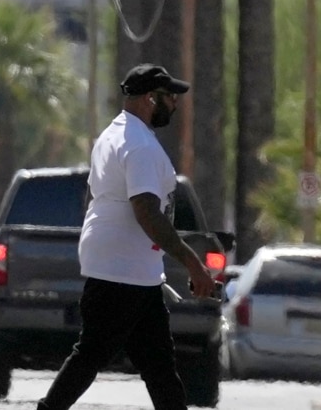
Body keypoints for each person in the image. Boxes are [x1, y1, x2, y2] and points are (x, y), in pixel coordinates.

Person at [36, 63, 215, 410]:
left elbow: (94, 197)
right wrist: (193, 265)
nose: (175, 104)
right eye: (170, 97)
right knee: (93, 353)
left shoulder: (113, 134)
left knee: (159, 364)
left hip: (131, 267)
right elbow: (147, 211)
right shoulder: (140, 146)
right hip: (123, 269)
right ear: (150, 98)